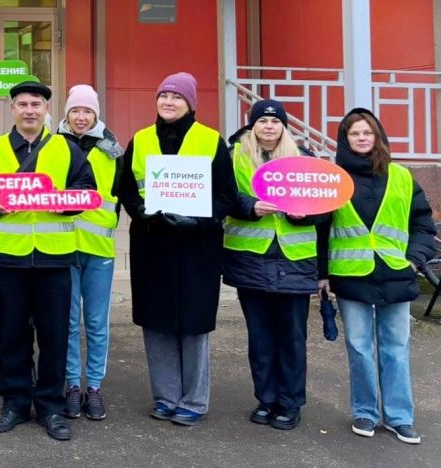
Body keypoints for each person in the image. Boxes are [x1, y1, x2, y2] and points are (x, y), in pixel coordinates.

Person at [0, 81, 95, 441]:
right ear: (12, 109)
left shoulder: (67, 148)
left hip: (54, 260)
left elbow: (86, 192)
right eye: (22, 104)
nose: (29, 109)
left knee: (55, 337)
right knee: (12, 336)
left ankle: (51, 408)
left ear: (45, 110)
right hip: (8, 259)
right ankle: (14, 403)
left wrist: (61, 202)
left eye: (36, 104)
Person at [118, 72, 236, 426]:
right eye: (163, 95)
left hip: (195, 247)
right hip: (152, 244)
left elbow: (227, 195)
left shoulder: (211, 140)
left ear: (190, 104)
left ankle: (194, 400)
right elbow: (125, 188)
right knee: (156, 322)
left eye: (176, 97)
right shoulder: (139, 139)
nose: (168, 102)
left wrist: (199, 222)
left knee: (193, 324)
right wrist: (139, 212)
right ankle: (166, 396)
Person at [318, 108, 435, 445]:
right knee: (359, 348)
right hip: (350, 274)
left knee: (396, 349)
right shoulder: (334, 177)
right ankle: (366, 412)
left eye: (367, 132)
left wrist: (413, 261)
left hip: (396, 274)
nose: (362, 138)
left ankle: (400, 418)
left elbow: (423, 225)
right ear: (345, 139)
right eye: (354, 133)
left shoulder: (401, 177)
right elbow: (322, 230)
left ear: (378, 137)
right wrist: (322, 274)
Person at [222, 99, 328, 430]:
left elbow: (325, 207)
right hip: (250, 259)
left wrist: (304, 214)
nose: (269, 126)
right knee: (260, 337)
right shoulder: (235, 157)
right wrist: (250, 206)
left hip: (294, 261)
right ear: (252, 126)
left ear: (284, 127)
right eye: (262, 121)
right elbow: (224, 196)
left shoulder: (304, 159)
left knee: (292, 338)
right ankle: (266, 399)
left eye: (275, 121)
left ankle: (290, 402)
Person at [57, 85, 125, 421]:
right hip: (63, 246)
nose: (81, 117)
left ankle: (94, 387)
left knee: (96, 323)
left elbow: (121, 197)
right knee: (68, 322)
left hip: (99, 249)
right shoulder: (53, 145)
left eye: (88, 111)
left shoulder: (113, 150)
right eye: (76, 111)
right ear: (67, 113)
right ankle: (72, 385)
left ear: (96, 114)